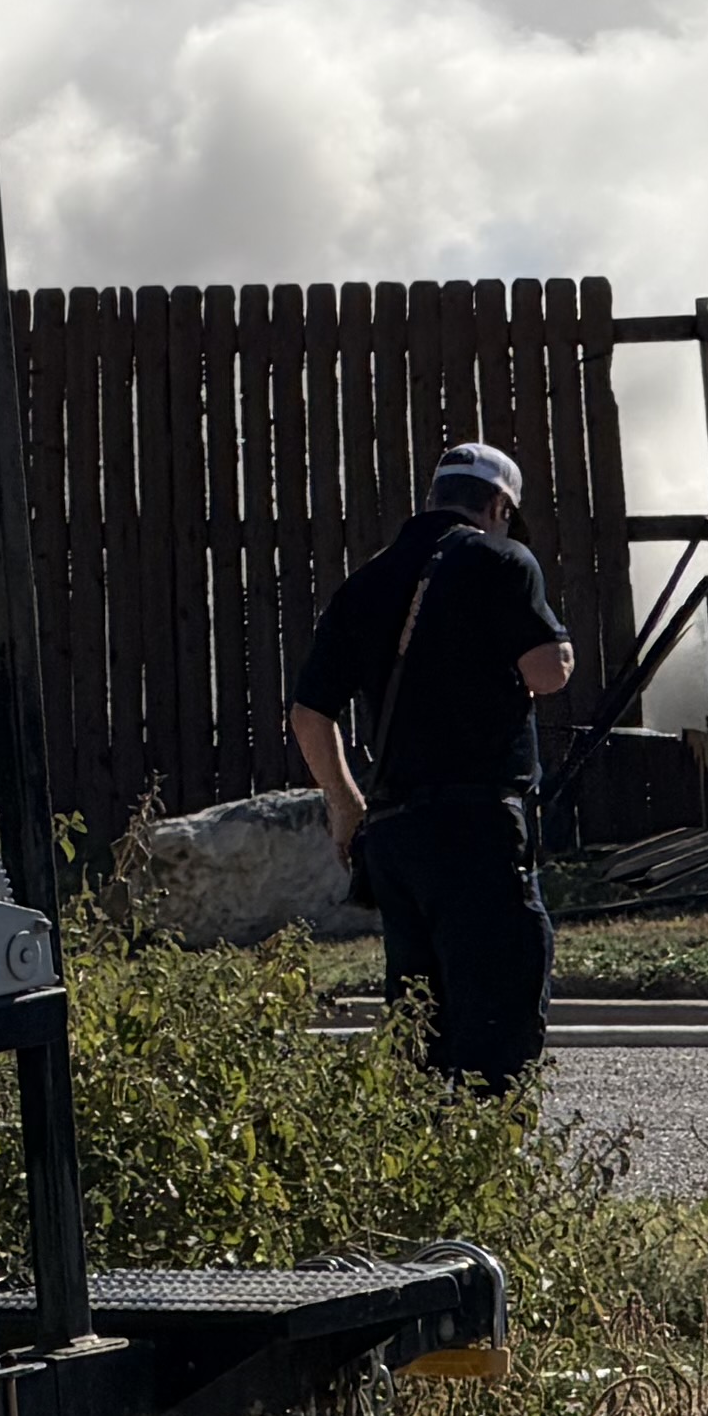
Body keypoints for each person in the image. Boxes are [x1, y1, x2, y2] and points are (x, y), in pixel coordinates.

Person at [287, 437, 580, 1088]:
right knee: (497, 1014)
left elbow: (310, 715)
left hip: (393, 834)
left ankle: (420, 1166)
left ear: (433, 500)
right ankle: (488, 1164)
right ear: (499, 504)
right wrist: (561, 648)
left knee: (419, 1019)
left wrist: (345, 803)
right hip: (476, 826)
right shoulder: (503, 560)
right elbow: (545, 672)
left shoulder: (364, 583)